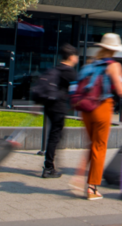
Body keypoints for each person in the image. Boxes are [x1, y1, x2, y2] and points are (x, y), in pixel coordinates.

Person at [71, 33, 122, 201]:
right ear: (114, 50)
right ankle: (92, 188)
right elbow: (121, 91)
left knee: (92, 145)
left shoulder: (91, 63)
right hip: (102, 107)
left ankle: (78, 177)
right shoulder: (114, 65)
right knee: (99, 147)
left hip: (85, 109)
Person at [42, 44, 79, 179]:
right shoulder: (69, 71)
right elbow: (77, 89)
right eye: (76, 56)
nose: (77, 59)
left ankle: (50, 164)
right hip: (58, 107)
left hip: (49, 105)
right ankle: (49, 167)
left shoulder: (56, 68)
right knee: (55, 137)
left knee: (55, 136)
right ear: (71, 57)